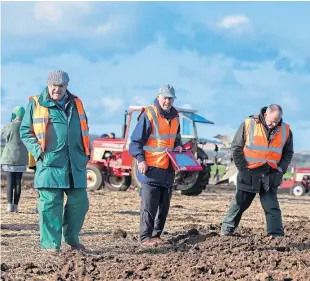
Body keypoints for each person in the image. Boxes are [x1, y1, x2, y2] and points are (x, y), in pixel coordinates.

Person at [20, 70, 90, 251]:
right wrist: (39, 153)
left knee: (80, 202)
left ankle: (72, 239)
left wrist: (84, 154)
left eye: (61, 86)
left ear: (67, 86)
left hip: (75, 163)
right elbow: (25, 131)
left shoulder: (77, 103)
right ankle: (51, 246)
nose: (57, 89)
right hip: (49, 163)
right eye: (54, 86)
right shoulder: (36, 103)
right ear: (48, 84)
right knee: (50, 205)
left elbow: (84, 129)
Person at [221, 104, 294, 238]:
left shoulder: (285, 129)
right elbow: (237, 147)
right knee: (239, 204)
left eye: (277, 121)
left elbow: (288, 152)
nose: (273, 124)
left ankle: (277, 237)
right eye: (271, 121)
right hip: (250, 172)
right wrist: (242, 167)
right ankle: (226, 232)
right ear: (265, 114)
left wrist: (281, 169)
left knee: (272, 207)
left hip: (271, 174)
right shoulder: (249, 124)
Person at [129, 84, 183, 247]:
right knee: (149, 205)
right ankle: (145, 238)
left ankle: (156, 235)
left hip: (168, 169)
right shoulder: (149, 114)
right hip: (150, 168)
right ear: (158, 97)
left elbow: (176, 138)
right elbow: (136, 142)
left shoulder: (175, 116)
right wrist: (141, 160)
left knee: (163, 206)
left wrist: (179, 145)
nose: (167, 101)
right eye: (165, 98)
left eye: (170, 98)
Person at [1, 106, 28, 212]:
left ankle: (9, 206)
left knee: (10, 182)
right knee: (18, 182)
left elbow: (3, 134)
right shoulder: (26, 126)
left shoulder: (10, 125)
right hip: (21, 159)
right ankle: (16, 206)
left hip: (9, 158)